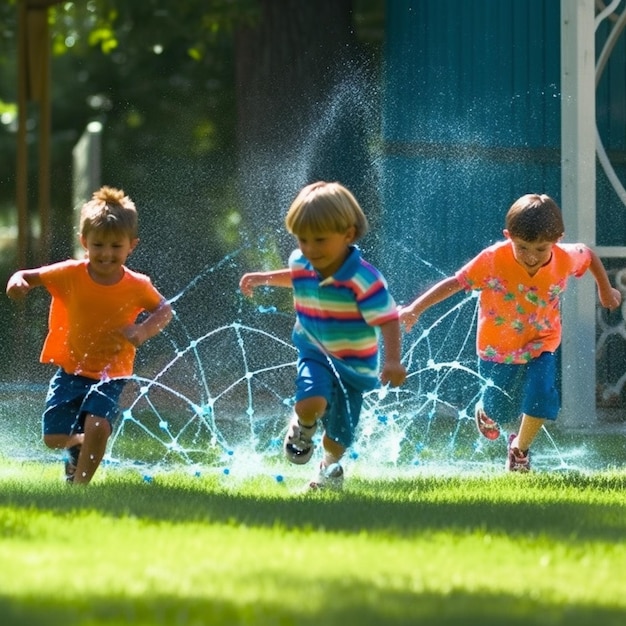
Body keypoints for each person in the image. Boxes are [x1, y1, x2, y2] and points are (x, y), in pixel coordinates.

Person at [399, 193, 621, 472]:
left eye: (541, 249)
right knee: (500, 411)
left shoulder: (564, 258)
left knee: (542, 395)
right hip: (497, 348)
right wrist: (415, 309)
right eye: (522, 247)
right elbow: (456, 283)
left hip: (542, 342)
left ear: (557, 239)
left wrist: (605, 289)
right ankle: (486, 410)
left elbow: (588, 256)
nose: (531, 257)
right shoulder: (493, 259)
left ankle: (520, 450)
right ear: (508, 236)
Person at [239, 181, 407, 489]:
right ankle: (303, 425)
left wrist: (393, 361)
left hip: (354, 367)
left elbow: (389, 319)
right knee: (311, 399)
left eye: (319, 240)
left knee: (338, 439)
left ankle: (326, 469)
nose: (310, 249)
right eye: (302, 239)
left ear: (348, 235)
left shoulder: (363, 279)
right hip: (314, 349)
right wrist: (264, 278)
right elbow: (298, 276)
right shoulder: (301, 260)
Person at [6, 186, 173, 485]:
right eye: (98, 245)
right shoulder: (71, 272)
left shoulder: (137, 284)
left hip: (112, 374)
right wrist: (17, 283)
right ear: (84, 242)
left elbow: (164, 309)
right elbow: (27, 276)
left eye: (115, 246)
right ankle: (78, 446)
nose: (106, 254)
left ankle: (79, 488)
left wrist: (142, 331)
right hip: (71, 370)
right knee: (54, 437)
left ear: (131, 246)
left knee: (98, 425)